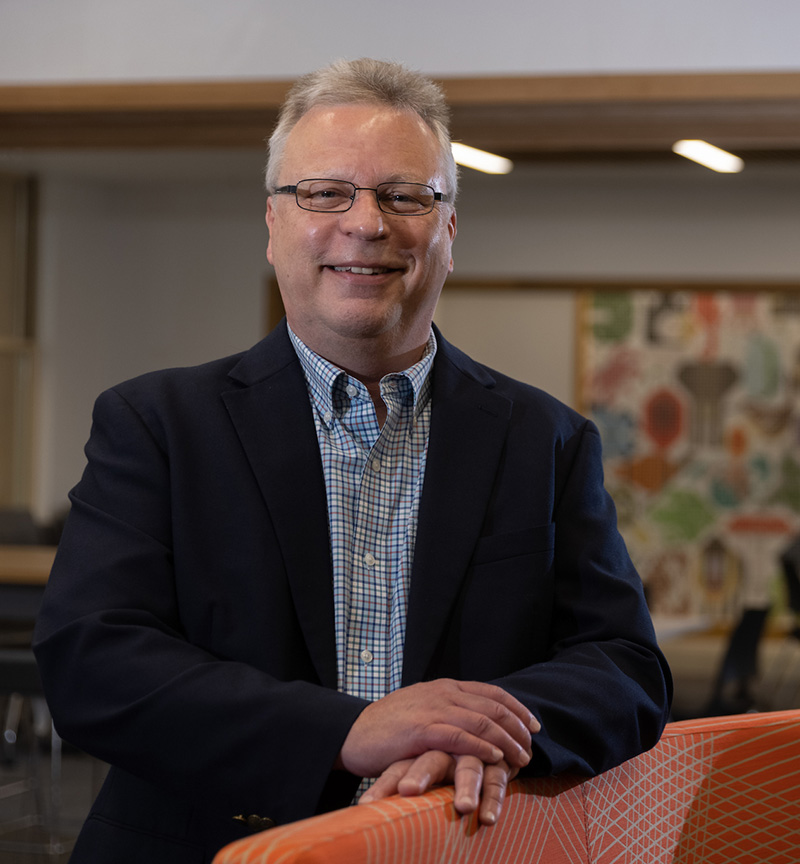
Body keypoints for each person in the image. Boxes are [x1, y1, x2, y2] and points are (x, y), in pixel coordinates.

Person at [33, 58, 672, 862]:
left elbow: (624, 668)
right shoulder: (155, 425)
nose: (366, 224)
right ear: (272, 224)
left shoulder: (546, 438)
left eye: (406, 195)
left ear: (448, 232)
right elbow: (96, 663)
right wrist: (351, 729)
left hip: (459, 848)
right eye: (324, 192)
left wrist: (474, 732)